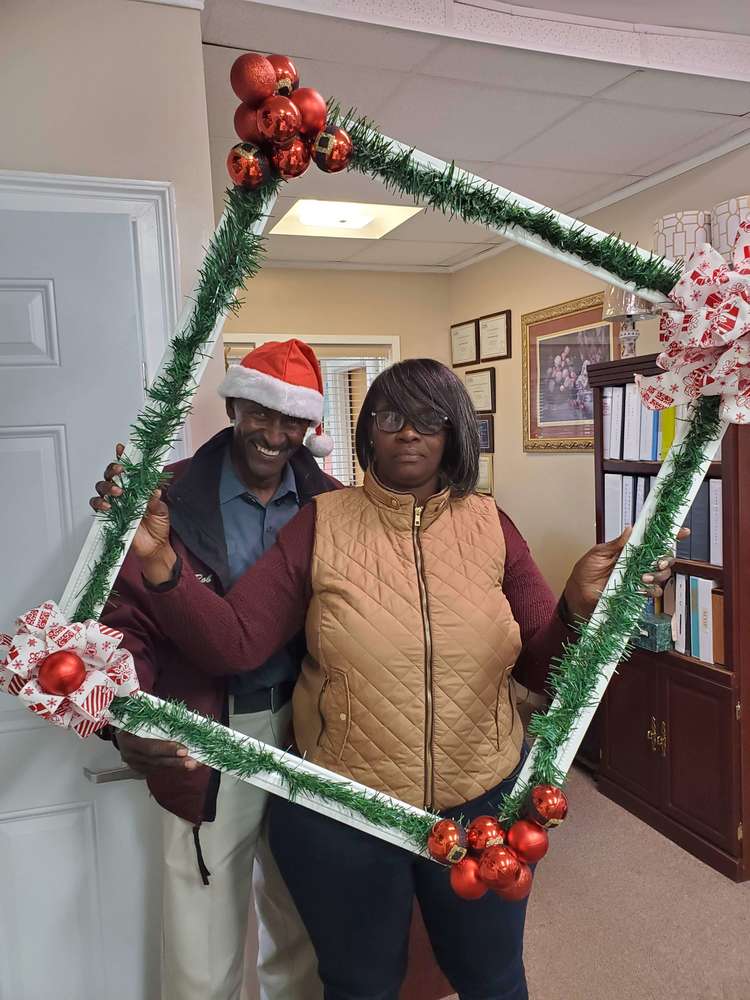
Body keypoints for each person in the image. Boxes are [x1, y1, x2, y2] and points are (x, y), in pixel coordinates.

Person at [118, 358, 679, 1000]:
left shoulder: (491, 524)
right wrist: (163, 566)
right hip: (347, 808)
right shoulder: (321, 522)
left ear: (454, 433)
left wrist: (577, 608)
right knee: (360, 985)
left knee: (493, 979)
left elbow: (538, 666)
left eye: (428, 419)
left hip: (483, 802)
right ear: (367, 434)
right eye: (390, 418)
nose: (408, 433)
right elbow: (236, 643)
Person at [92, 339, 339, 1000]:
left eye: (290, 420)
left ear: (310, 426)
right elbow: (122, 623)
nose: (273, 432)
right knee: (199, 946)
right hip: (201, 734)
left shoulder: (335, 507)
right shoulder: (163, 497)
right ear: (232, 404)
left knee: (305, 928)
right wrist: (127, 717)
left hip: (308, 734)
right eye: (259, 411)